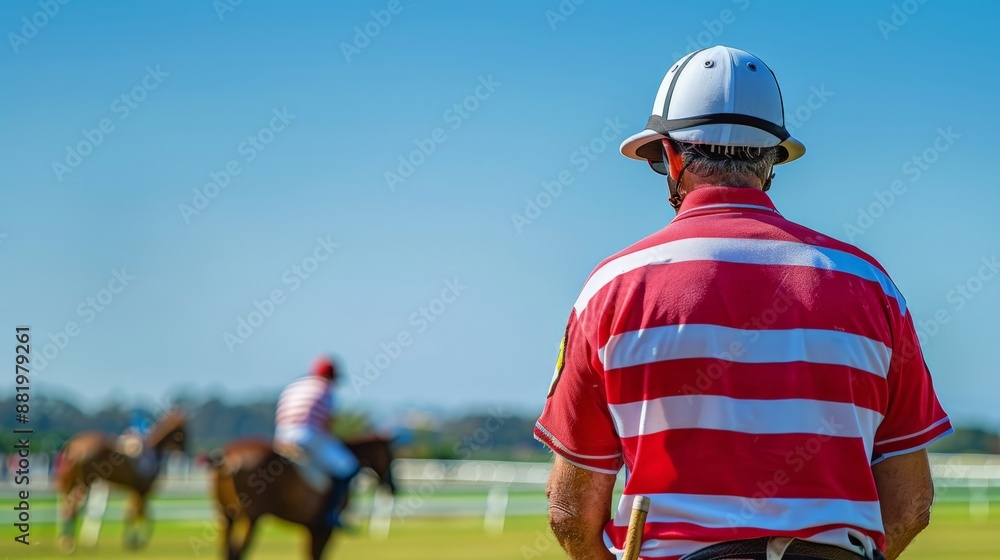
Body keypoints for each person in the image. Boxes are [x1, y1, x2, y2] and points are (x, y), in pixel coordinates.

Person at [535, 46, 951, 560]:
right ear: (772, 161)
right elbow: (910, 505)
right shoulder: (871, 285)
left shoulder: (612, 288)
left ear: (671, 157)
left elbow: (571, 513)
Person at [274, 355, 359, 527]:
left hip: (281, 435)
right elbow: (326, 425)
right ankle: (331, 512)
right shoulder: (325, 389)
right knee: (348, 466)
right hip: (306, 435)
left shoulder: (295, 385)